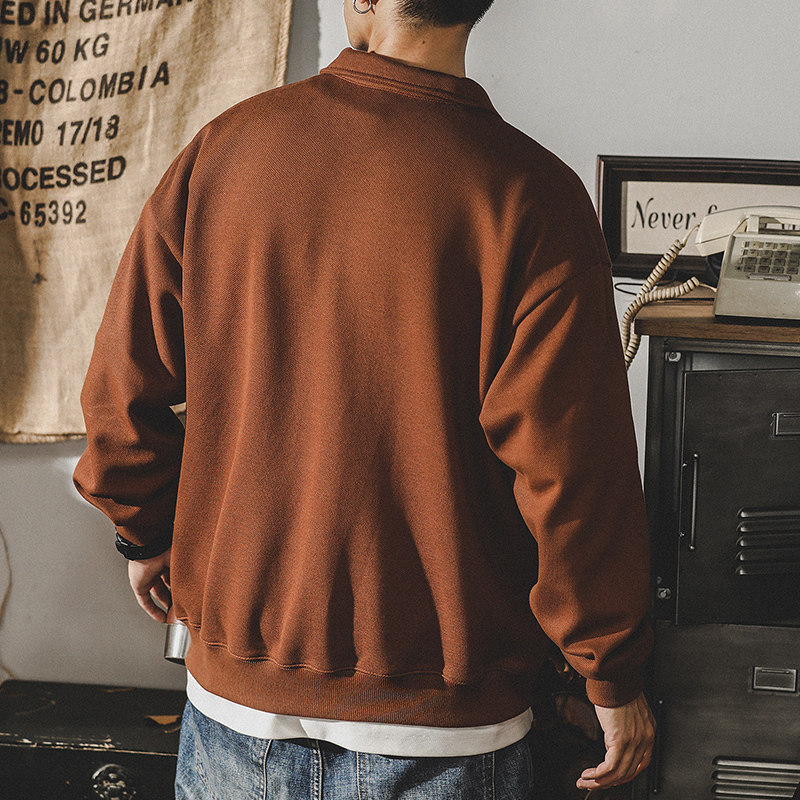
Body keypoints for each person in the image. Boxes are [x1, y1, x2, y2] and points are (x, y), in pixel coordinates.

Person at [73, 0, 656, 797]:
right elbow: (574, 471)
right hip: (448, 723)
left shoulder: (225, 152)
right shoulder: (533, 196)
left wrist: (142, 532)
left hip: (237, 709)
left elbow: (123, 388)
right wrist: (609, 671)